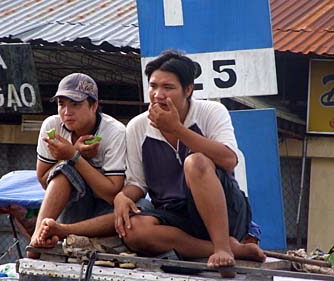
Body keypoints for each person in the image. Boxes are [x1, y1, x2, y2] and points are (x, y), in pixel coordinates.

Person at [113, 50, 266, 268]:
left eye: (168, 88)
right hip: (175, 216)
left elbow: (229, 160)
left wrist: (176, 129)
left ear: (188, 90)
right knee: (133, 231)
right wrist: (121, 197)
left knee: (196, 162)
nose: (158, 94)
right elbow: (138, 183)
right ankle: (234, 249)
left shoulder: (211, 111)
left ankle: (223, 247)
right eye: (153, 86)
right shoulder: (137, 126)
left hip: (225, 212)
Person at [27, 73, 126, 258]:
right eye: (61, 104)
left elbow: (111, 193)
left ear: (94, 106)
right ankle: (36, 242)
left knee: (134, 211)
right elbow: (43, 180)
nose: (66, 111)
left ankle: (61, 231)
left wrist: (74, 157)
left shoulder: (115, 132)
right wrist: (71, 154)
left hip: (107, 210)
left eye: (76, 104)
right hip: (74, 205)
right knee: (64, 171)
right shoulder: (53, 125)